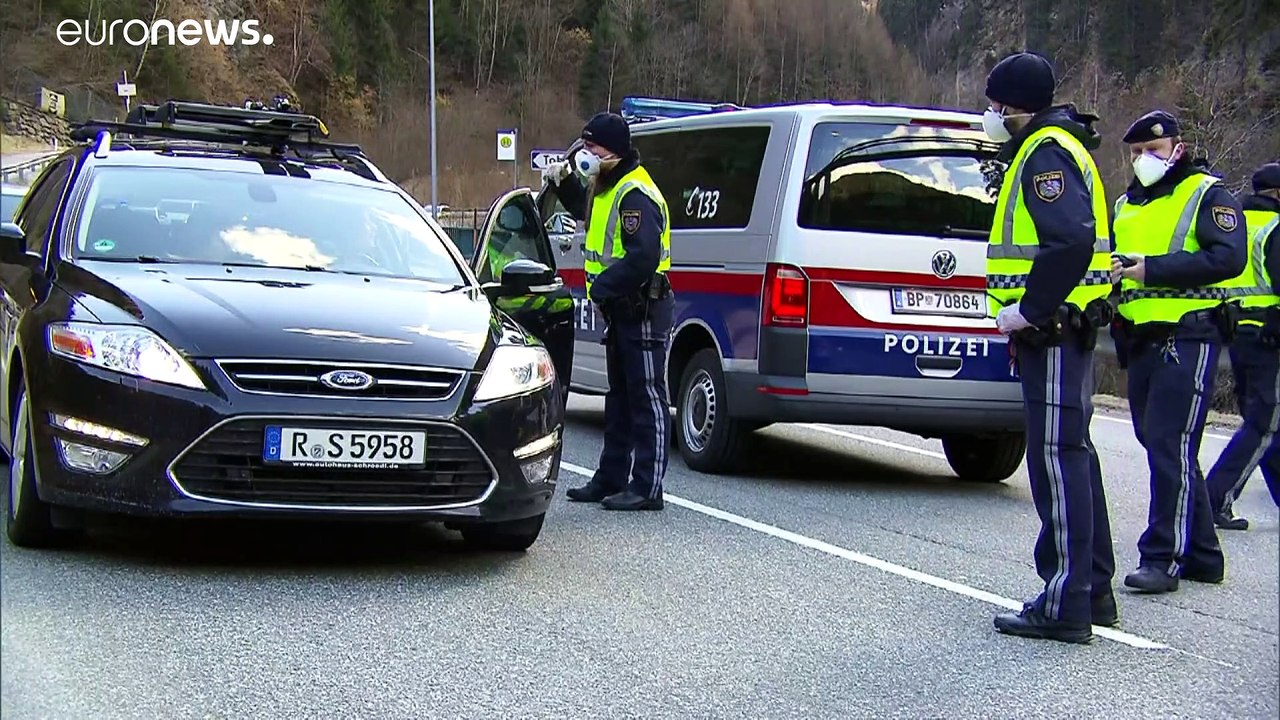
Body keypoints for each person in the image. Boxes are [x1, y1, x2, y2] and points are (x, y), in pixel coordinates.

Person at [981, 51, 1118, 644]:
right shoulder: (1056, 147)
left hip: (1053, 330)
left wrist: (1028, 310)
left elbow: (1068, 242)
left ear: (1015, 107)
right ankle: (1094, 589)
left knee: (1056, 460)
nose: (989, 115)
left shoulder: (1045, 154)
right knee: (1074, 456)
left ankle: (1065, 601)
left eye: (995, 106)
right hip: (1064, 328)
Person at [1110, 110, 1248, 594]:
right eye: (1135, 153)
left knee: (1170, 444)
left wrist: (1152, 269)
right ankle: (1204, 554)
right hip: (1141, 340)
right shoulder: (1126, 203)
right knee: (1160, 443)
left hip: (1187, 336)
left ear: (1177, 148)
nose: (1143, 159)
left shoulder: (1207, 193)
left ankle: (1160, 555)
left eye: (1153, 150)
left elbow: (1229, 256)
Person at [541, 112, 674, 511]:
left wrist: (602, 287)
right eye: (584, 147)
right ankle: (611, 477)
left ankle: (648, 487)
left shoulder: (634, 193)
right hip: (621, 310)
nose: (587, 154)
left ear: (612, 151)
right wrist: (561, 183)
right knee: (618, 398)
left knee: (646, 397)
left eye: (593, 148)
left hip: (643, 307)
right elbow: (588, 216)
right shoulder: (605, 188)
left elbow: (643, 257)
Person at [1205, 161, 1280, 530]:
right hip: (1270, 336)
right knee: (1263, 424)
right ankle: (1215, 497)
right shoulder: (1276, 229)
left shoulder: (1236, 225)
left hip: (1237, 335)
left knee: (1268, 424)